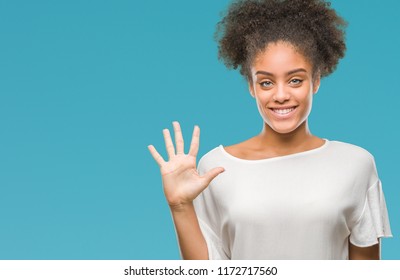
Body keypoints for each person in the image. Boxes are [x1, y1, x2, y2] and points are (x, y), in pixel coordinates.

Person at [147, 0, 392, 260]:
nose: (281, 95)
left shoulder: (356, 164)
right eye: (266, 82)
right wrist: (180, 206)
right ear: (251, 87)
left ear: (316, 80)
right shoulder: (216, 168)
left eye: (295, 80)